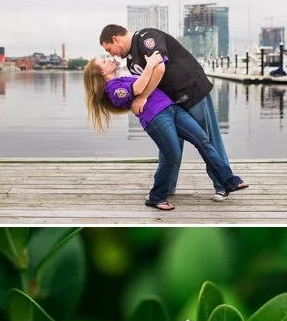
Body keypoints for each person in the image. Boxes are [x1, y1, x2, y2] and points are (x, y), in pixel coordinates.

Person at [84, 52, 247, 210]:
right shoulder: (113, 90)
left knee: (203, 140)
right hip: (156, 118)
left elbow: (149, 80)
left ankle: (229, 180)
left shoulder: (122, 79)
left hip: (173, 109)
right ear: (102, 72)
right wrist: (150, 65)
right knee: (173, 155)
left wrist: (156, 62)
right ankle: (156, 197)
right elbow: (139, 87)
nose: (109, 60)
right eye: (104, 62)